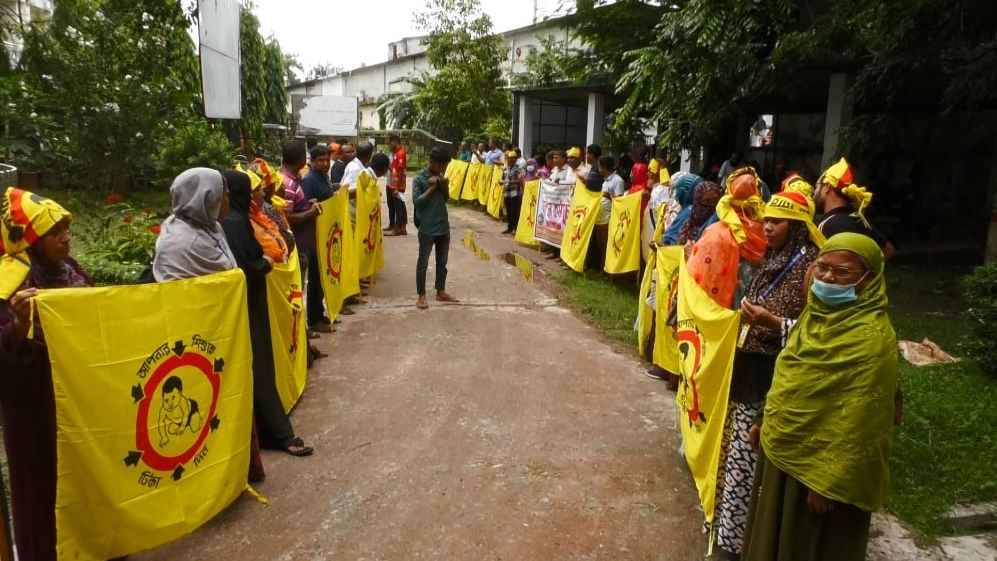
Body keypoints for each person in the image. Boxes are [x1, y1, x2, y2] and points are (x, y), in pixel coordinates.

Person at [742, 233, 898, 561]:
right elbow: (787, 378)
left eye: (842, 273)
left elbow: (861, 419)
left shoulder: (872, 339)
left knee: (804, 544)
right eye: (822, 268)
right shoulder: (812, 318)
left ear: (869, 280)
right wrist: (763, 420)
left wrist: (829, 482)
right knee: (771, 534)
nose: (827, 278)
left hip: (823, 477)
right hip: (781, 447)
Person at [711, 190, 824, 559]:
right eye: (767, 220)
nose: (768, 226)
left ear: (798, 227)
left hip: (778, 374)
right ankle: (728, 533)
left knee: (753, 460)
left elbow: (817, 331)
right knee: (738, 455)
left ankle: (742, 543)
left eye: (778, 221)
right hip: (750, 365)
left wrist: (773, 322)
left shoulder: (812, 267)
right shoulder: (772, 257)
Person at [0, 188, 88, 561]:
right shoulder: (11, 284)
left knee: (84, 479)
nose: (66, 237)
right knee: (45, 490)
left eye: (66, 228)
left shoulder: (70, 271)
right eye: (55, 232)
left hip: (76, 397)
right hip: (36, 409)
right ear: (33, 241)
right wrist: (19, 327)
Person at [220, 170, 314, 457]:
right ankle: (278, 433)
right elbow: (247, 265)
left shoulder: (233, 220)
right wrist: (264, 261)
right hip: (246, 304)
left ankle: (270, 431)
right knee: (258, 366)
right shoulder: (235, 222)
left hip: (246, 303)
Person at [686, 168, 767, 308]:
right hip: (750, 310)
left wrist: (689, 256)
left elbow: (698, 278)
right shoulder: (766, 231)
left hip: (716, 312)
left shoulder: (716, 232)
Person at [152, 168, 237, 281]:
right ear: (209, 198)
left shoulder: (212, 226)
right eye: (226, 195)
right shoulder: (181, 243)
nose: (228, 200)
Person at [815, 157, 895, 259]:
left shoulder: (829, 225)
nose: (815, 192)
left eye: (817, 187)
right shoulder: (858, 220)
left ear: (827, 187)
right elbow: (889, 250)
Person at [412, 147, 459, 309]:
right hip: (427, 227)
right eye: (442, 166)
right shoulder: (419, 179)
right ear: (432, 162)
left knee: (442, 262)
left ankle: (440, 291)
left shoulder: (440, 177)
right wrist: (433, 187)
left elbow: (446, 198)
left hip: (443, 226)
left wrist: (443, 184)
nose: (444, 169)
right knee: (423, 263)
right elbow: (417, 202)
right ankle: (421, 295)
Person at [299, 144, 338, 330]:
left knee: (323, 278)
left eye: (327, 160)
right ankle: (313, 320)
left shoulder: (324, 177)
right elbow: (307, 205)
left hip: (327, 236)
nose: (325, 164)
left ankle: (321, 313)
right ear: (312, 162)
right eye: (320, 161)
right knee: (315, 280)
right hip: (314, 237)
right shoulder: (309, 181)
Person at [592, 155, 626, 269]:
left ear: (604, 167)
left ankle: (606, 269)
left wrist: (609, 196)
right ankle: (601, 267)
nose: (598, 169)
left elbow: (620, 201)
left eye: (599, 167)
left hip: (608, 218)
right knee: (600, 244)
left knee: (605, 244)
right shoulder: (605, 181)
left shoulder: (617, 180)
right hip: (600, 217)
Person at [675, 180, 723, 246]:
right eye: (706, 202)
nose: (710, 206)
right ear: (696, 201)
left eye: (714, 201)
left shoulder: (716, 225)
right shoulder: (689, 222)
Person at [662, 174, 702, 245]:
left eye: (678, 191)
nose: (677, 195)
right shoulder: (700, 211)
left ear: (685, 192)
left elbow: (669, 238)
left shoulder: (687, 212)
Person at [386, 133, 409, 236]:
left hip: (397, 185)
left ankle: (398, 229)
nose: (389, 146)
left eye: (389, 143)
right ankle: (402, 228)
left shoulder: (400, 153)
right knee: (399, 205)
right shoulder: (397, 153)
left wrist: (396, 187)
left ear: (394, 142)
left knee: (399, 206)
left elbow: (399, 171)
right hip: (395, 184)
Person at [502, 150, 525, 235]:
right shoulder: (505, 168)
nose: (510, 160)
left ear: (515, 159)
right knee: (508, 211)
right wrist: (502, 181)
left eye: (513, 158)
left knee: (515, 212)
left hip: (515, 193)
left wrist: (507, 182)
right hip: (507, 193)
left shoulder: (519, 169)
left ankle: (515, 229)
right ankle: (509, 228)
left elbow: (520, 180)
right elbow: (503, 178)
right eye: (509, 158)